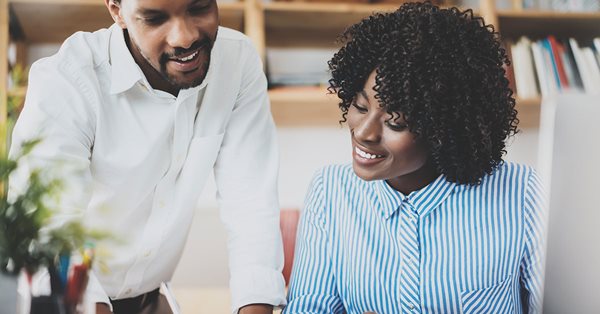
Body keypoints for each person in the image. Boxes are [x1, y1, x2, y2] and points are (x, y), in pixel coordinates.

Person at [8, 0, 286, 313]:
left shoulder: (237, 62)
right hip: (71, 304)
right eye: (155, 19)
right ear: (116, 10)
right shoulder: (67, 79)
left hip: (152, 300)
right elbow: (52, 229)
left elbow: (251, 204)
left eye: (199, 7)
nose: (184, 37)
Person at [284, 2, 546, 314]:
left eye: (396, 122)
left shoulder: (524, 194)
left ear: (446, 129)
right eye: (360, 105)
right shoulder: (330, 191)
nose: (364, 132)